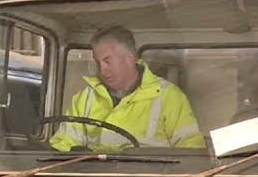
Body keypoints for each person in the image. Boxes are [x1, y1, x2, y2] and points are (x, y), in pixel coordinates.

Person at [50, 26, 204, 151]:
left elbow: (190, 152)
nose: (102, 70)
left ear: (130, 58)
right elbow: (63, 145)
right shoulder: (85, 98)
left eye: (108, 61)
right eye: (98, 63)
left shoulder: (169, 97)